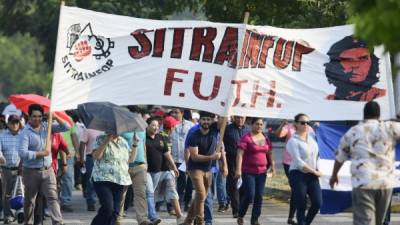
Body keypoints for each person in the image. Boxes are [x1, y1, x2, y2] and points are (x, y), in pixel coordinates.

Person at [329, 101, 400, 225]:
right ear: (379, 114)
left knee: (364, 221)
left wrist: (334, 175)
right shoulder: (389, 127)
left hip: (363, 182)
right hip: (385, 182)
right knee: (379, 221)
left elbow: (340, 156)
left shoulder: (353, 131)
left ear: (364, 114)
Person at [18, 104, 70, 225]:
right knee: (30, 201)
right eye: (34, 116)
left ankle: (58, 222)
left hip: (48, 170)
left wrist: (55, 116)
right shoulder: (25, 132)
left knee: (53, 197)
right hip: (30, 171)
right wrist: (40, 153)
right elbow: (22, 153)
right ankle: (28, 222)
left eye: (40, 116)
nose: (37, 119)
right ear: (29, 116)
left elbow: (66, 127)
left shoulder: (47, 127)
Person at [179, 111, 225, 225]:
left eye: (208, 119)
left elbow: (223, 120)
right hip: (195, 168)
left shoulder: (215, 128)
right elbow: (194, 157)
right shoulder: (194, 135)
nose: (206, 122)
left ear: (212, 120)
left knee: (201, 197)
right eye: (203, 119)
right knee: (201, 194)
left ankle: (187, 221)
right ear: (199, 120)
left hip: (208, 169)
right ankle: (200, 221)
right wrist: (212, 157)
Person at [90, 132, 138, 225]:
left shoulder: (123, 141)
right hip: (102, 178)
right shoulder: (100, 138)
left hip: (120, 179)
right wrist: (106, 141)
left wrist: (135, 144)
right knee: (108, 208)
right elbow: (96, 156)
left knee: (116, 212)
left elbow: (130, 160)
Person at [235, 118, 274, 225]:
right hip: (248, 171)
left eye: (261, 124)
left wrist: (273, 166)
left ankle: (255, 219)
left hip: (262, 172)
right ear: (252, 125)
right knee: (250, 195)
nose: (259, 126)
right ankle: (241, 214)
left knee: (259, 196)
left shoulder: (265, 138)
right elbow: (239, 154)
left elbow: (269, 152)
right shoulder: (246, 138)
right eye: (257, 124)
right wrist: (238, 169)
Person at [275, 119, 315, 225]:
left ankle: (293, 217)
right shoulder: (289, 127)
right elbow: (278, 135)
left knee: (298, 190)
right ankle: (294, 216)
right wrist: (282, 124)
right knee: (297, 189)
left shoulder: (310, 129)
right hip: (289, 163)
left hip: (305, 165)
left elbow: (314, 144)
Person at [145, 117, 183, 224]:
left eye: (157, 125)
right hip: (149, 170)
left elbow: (167, 153)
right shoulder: (143, 136)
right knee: (150, 192)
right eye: (153, 125)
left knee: (168, 191)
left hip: (163, 171)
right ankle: (151, 215)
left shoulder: (161, 136)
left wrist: (174, 167)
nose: (156, 127)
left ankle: (179, 216)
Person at [116, 117, 153, 225]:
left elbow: (144, 146)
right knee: (122, 194)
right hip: (125, 165)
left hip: (140, 166)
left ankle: (142, 219)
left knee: (140, 193)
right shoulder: (121, 130)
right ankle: (118, 218)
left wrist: (145, 162)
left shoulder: (142, 130)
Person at [324, 35, 385, 101]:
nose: (356, 65)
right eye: (347, 60)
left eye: (363, 58)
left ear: (371, 60)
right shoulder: (332, 99)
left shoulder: (382, 95)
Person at [287, 113, 322, 225]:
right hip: (298, 174)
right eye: (302, 122)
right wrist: (314, 171)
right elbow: (298, 162)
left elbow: (317, 155)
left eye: (308, 122)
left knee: (317, 203)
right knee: (301, 204)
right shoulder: (292, 141)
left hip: (312, 175)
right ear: (296, 124)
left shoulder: (312, 138)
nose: (306, 124)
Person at [223, 116, 249, 218]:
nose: (240, 120)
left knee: (244, 186)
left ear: (245, 118)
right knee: (233, 185)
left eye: (242, 118)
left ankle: (242, 207)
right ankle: (236, 210)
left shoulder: (248, 129)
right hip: (231, 161)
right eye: (238, 118)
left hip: (246, 161)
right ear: (234, 118)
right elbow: (221, 145)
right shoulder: (227, 129)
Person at [0, 115, 24, 224]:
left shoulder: (24, 135)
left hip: (21, 169)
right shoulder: (2, 135)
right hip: (6, 169)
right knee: (7, 193)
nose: (15, 125)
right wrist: (0, 157)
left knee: (20, 191)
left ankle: (20, 212)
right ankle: (8, 216)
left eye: (17, 123)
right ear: (8, 124)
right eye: (12, 123)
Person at [169, 108, 194, 211]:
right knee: (177, 183)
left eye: (176, 112)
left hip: (187, 159)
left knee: (189, 183)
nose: (174, 114)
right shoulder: (167, 124)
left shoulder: (190, 125)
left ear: (182, 113)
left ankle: (187, 202)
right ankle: (175, 203)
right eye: (172, 112)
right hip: (173, 159)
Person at [78, 128, 103, 211]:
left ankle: (103, 201)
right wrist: (81, 159)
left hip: (104, 158)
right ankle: (91, 202)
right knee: (91, 180)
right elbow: (82, 144)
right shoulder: (88, 129)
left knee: (103, 181)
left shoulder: (105, 129)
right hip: (90, 158)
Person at [59, 116, 79, 212]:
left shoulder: (68, 118)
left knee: (68, 179)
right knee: (52, 180)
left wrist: (77, 151)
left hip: (68, 154)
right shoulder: (49, 116)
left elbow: (74, 135)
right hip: (52, 154)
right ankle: (53, 202)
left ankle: (65, 202)